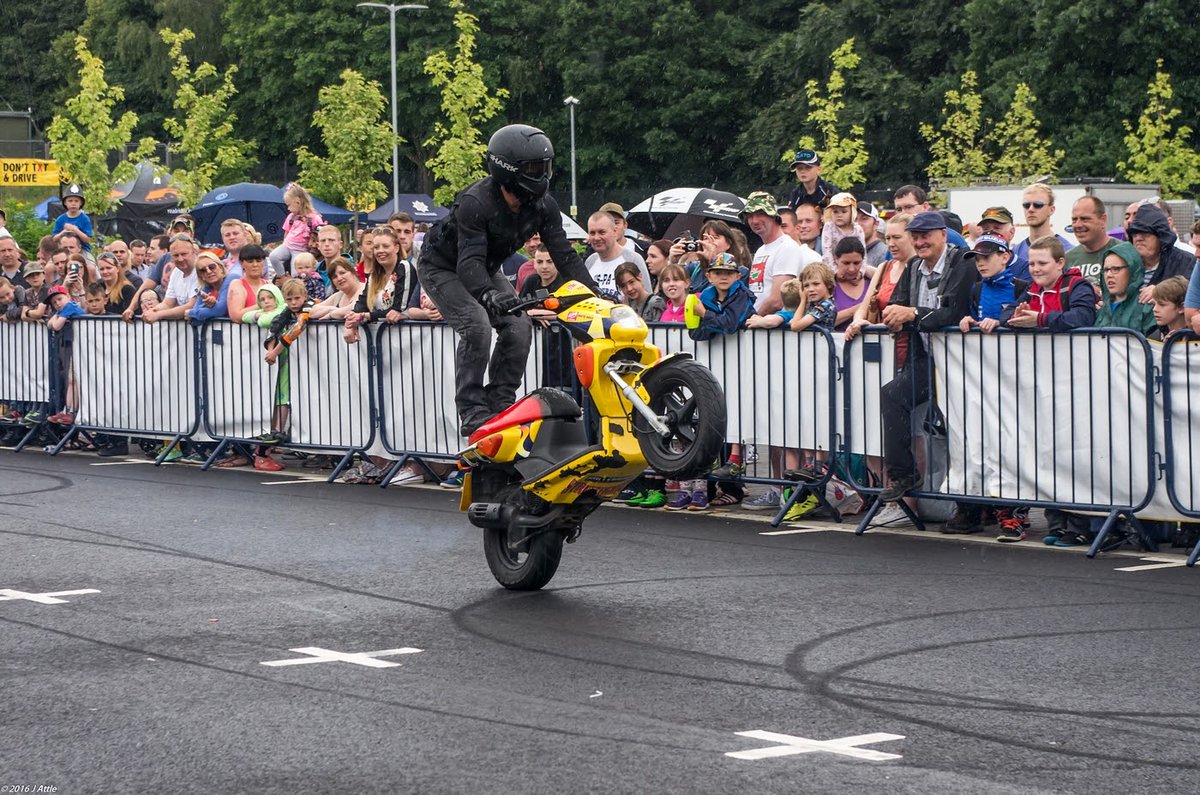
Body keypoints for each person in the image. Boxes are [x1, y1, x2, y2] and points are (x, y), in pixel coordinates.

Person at [417, 123, 598, 437]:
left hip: (486, 267)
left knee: (518, 326)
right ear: (508, 170)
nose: (542, 175)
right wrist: (488, 295)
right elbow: (468, 260)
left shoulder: (544, 207)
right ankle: (472, 411)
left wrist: (593, 293)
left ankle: (500, 403)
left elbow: (565, 255)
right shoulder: (475, 202)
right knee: (476, 326)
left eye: (546, 167)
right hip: (442, 266)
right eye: (534, 168)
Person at [876, 211, 978, 506]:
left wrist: (914, 314)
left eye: (926, 235)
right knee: (892, 394)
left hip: (962, 363)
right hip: (926, 359)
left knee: (962, 431)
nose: (921, 242)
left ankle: (973, 506)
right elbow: (897, 303)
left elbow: (954, 311)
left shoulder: (963, 262)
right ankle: (902, 474)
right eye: (916, 236)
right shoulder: (912, 267)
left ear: (943, 235)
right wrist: (896, 316)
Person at [741, 191, 815, 315]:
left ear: (773, 216)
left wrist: (750, 321)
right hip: (758, 327)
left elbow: (778, 300)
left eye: (760, 214)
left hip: (775, 328)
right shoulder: (761, 250)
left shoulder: (786, 247)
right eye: (749, 215)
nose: (754, 221)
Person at [1001, 236, 1096, 331]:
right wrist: (1017, 318)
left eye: (1042, 263)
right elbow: (1005, 316)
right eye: (1031, 264)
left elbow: (1083, 316)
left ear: (1060, 263)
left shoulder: (1077, 285)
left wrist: (1040, 319)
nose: (1036, 269)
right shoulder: (1032, 289)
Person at [1126, 205, 1195, 302]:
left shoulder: (1186, 262)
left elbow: (1193, 294)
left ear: (1161, 237)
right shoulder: (1125, 263)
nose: (1138, 238)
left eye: (1145, 233)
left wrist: (1161, 292)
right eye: (1134, 233)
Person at [1095, 241, 1154, 335]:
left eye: (1116, 269)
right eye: (1106, 270)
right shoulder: (1100, 309)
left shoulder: (1147, 306)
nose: (1109, 275)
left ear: (1132, 270)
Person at [585, 211, 649, 296]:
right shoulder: (590, 261)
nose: (596, 238)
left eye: (602, 232)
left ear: (614, 231)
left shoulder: (633, 259)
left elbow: (648, 299)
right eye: (592, 233)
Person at [269, 183, 325, 275]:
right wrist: (284, 243)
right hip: (287, 245)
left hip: (300, 250)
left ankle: (295, 284)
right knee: (273, 256)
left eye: (289, 205)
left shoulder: (314, 218)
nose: (288, 208)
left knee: (297, 272)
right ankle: (282, 276)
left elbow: (319, 233)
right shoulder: (291, 217)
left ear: (298, 203)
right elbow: (286, 232)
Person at [1064, 196, 1118, 288]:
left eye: (1085, 219)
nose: (1078, 225)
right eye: (1074, 219)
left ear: (1103, 220)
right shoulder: (1067, 259)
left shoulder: (1122, 252)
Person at [892, 185, 968, 249]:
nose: (903, 213)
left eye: (909, 207)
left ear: (925, 206)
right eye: (899, 209)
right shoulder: (894, 241)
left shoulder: (949, 236)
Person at [1012, 183, 1072, 263]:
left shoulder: (1067, 251)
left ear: (1051, 210)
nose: (1030, 209)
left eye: (1038, 205)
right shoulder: (1015, 253)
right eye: (1026, 205)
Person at [975, 206, 1030, 282]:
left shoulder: (1025, 268)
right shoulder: (975, 265)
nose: (991, 233)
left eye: (997, 228)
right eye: (986, 229)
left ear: (1011, 232)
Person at [184, 252, 233, 326]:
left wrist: (190, 313)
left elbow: (221, 310)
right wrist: (207, 307)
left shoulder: (232, 279)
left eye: (212, 267)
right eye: (203, 270)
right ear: (201, 276)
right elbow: (194, 322)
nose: (209, 271)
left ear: (221, 268)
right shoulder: (205, 289)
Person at [831, 238, 869, 330]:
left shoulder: (872, 281)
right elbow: (822, 321)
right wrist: (862, 307)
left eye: (856, 263)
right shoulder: (829, 286)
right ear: (836, 260)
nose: (852, 269)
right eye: (846, 263)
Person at [226, 243, 270, 323]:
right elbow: (235, 316)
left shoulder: (269, 285)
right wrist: (262, 305)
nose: (255, 265)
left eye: (259, 261)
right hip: (244, 334)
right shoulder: (237, 285)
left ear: (264, 262)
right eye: (250, 262)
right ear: (241, 263)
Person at [820, 193, 866, 269]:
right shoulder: (829, 227)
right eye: (835, 212)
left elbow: (863, 253)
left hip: (854, 267)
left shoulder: (858, 229)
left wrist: (861, 271)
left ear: (852, 212)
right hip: (832, 269)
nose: (839, 215)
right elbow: (827, 251)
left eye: (844, 211)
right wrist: (834, 271)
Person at [52, 184, 93, 250]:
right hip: (64, 251)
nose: (73, 203)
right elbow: (54, 239)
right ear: (65, 202)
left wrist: (75, 230)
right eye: (70, 201)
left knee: (90, 260)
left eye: (76, 201)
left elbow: (87, 239)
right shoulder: (60, 219)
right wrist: (64, 231)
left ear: (81, 203)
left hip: (83, 250)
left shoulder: (85, 219)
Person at [857, 202, 888, 268]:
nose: (858, 224)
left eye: (864, 218)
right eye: (854, 219)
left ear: (876, 224)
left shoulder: (885, 253)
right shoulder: (848, 252)